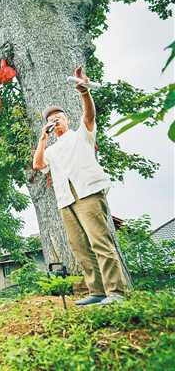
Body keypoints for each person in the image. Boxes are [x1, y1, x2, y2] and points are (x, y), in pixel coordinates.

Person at [33, 66, 129, 306]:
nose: (54, 120)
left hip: (87, 192)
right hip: (66, 199)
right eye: (50, 119)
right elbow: (37, 164)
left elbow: (89, 117)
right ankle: (96, 290)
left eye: (58, 117)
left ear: (66, 119)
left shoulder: (81, 135)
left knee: (100, 241)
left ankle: (116, 291)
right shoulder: (51, 149)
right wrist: (42, 138)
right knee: (79, 246)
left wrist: (84, 92)